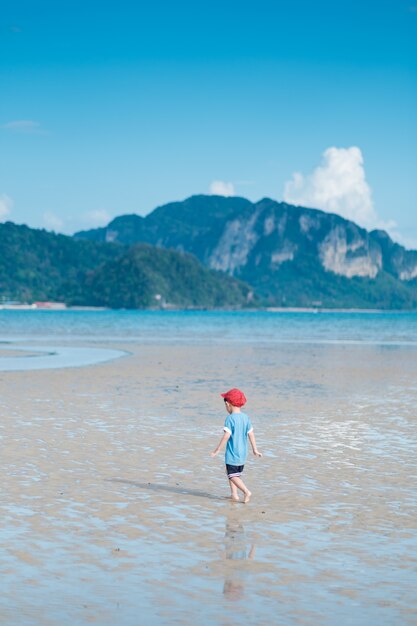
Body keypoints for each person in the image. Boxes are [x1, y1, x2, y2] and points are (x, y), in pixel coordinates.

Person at [210, 388, 262, 503]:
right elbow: (251, 434)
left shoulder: (230, 419)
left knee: (232, 475)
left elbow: (226, 436)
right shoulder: (245, 418)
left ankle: (246, 491)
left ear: (228, 404)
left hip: (233, 453)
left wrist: (217, 449)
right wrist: (255, 449)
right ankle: (234, 495)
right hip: (243, 453)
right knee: (234, 474)